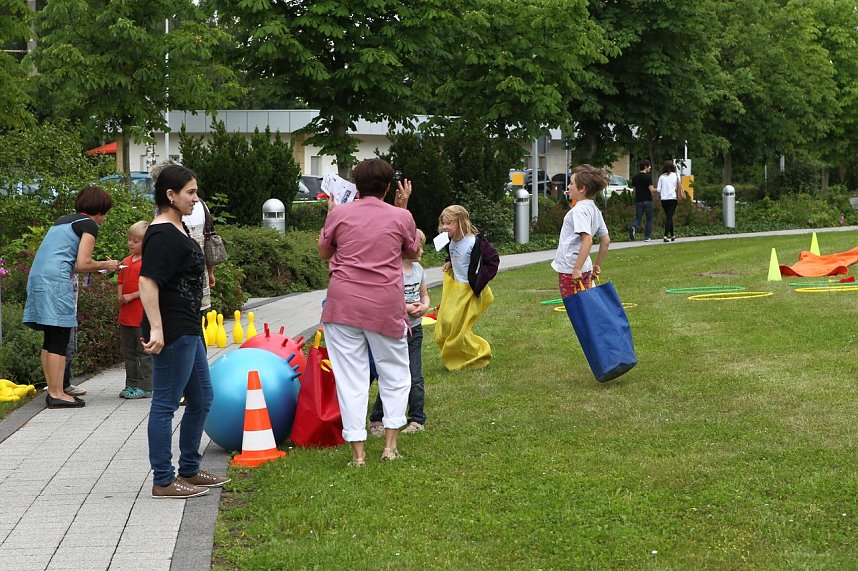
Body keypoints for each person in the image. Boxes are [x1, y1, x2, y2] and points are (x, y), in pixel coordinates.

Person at [317, 158, 420, 467]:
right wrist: (403, 210)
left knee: (351, 378)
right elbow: (413, 251)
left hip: (342, 304)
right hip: (384, 305)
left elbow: (324, 252)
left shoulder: (340, 213)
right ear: (387, 187)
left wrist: (331, 215)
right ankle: (389, 447)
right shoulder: (401, 216)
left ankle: (358, 454)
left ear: (356, 186)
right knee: (396, 373)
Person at [139, 164, 229, 498]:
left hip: (189, 324)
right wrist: (157, 328)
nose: (195, 198)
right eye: (190, 192)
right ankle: (163, 480)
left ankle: (189, 470)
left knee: (202, 398)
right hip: (172, 329)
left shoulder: (179, 227)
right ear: (170, 195)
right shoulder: (161, 233)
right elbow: (147, 281)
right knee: (165, 404)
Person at [23, 186, 120, 408]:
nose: (104, 219)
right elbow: (84, 263)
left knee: (50, 338)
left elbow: (71, 262)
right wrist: (106, 264)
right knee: (59, 337)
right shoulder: (89, 225)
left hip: (39, 278)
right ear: (99, 210)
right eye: (105, 213)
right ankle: (57, 394)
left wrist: (97, 267)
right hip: (56, 282)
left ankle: (53, 390)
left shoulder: (62, 221)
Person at [369, 229, 431, 436]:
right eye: (419, 245)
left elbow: (424, 294)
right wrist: (406, 308)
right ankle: (377, 418)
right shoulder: (392, 271)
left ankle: (417, 419)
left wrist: (424, 306)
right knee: (391, 375)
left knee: (415, 376)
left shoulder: (418, 269)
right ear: (406, 247)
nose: (422, 250)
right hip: (394, 331)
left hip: (415, 330)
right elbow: (386, 300)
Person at [433, 205, 499, 371]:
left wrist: (480, 280)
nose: (444, 227)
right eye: (443, 223)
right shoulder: (450, 241)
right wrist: (449, 262)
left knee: (456, 326)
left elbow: (493, 260)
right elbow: (455, 254)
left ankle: (479, 353)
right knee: (446, 324)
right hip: (456, 290)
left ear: (461, 222)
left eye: (448, 223)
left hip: (469, 292)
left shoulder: (474, 242)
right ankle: (460, 354)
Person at [551, 164, 611, 297]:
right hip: (586, 267)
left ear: (582, 188)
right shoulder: (594, 210)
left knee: (575, 306)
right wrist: (597, 265)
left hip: (571, 268)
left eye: (571, 183)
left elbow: (587, 240)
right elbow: (605, 240)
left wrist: (577, 268)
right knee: (586, 305)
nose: (568, 186)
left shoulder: (578, 211)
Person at [117, 220, 153, 399]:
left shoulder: (148, 262)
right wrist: (120, 295)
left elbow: (149, 287)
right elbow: (120, 281)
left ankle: (147, 386)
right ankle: (131, 384)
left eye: (136, 241)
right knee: (128, 352)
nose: (131, 243)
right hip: (126, 316)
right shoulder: (125, 261)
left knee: (143, 352)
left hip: (141, 316)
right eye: (129, 239)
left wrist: (131, 296)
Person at [629, 160, 656, 242]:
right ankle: (647, 237)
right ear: (645, 167)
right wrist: (659, 189)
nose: (650, 167)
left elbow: (634, 190)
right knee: (649, 219)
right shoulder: (648, 177)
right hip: (647, 200)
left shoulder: (635, 177)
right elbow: (651, 189)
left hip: (639, 200)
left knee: (638, 218)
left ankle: (633, 227)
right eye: (649, 166)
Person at [657, 160, 683, 242]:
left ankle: (672, 235)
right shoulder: (676, 175)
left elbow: (658, 189)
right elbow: (679, 186)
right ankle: (665, 236)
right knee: (669, 217)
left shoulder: (661, 177)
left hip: (664, 199)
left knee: (669, 217)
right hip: (673, 199)